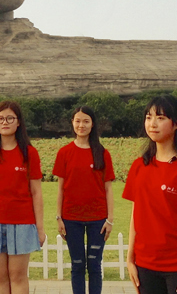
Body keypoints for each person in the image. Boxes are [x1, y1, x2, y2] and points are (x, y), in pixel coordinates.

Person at [122, 95, 177, 294]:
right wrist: (130, 259)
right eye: (148, 117)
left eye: (160, 118)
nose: (152, 124)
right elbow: (136, 215)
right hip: (145, 267)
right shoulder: (139, 166)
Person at [0, 101, 45, 294]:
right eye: (0, 119)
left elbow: (36, 192)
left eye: (9, 118)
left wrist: (40, 228)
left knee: (18, 275)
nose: (4, 122)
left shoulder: (29, 153)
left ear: (18, 122)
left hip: (22, 223)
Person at [53, 107, 116, 294]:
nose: (81, 125)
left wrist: (110, 220)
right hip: (71, 218)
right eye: (78, 121)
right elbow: (60, 189)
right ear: (72, 123)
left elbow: (108, 188)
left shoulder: (102, 153)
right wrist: (59, 217)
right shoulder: (64, 152)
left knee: (95, 265)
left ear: (92, 124)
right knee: (77, 264)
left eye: (86, 121)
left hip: (98, 219)